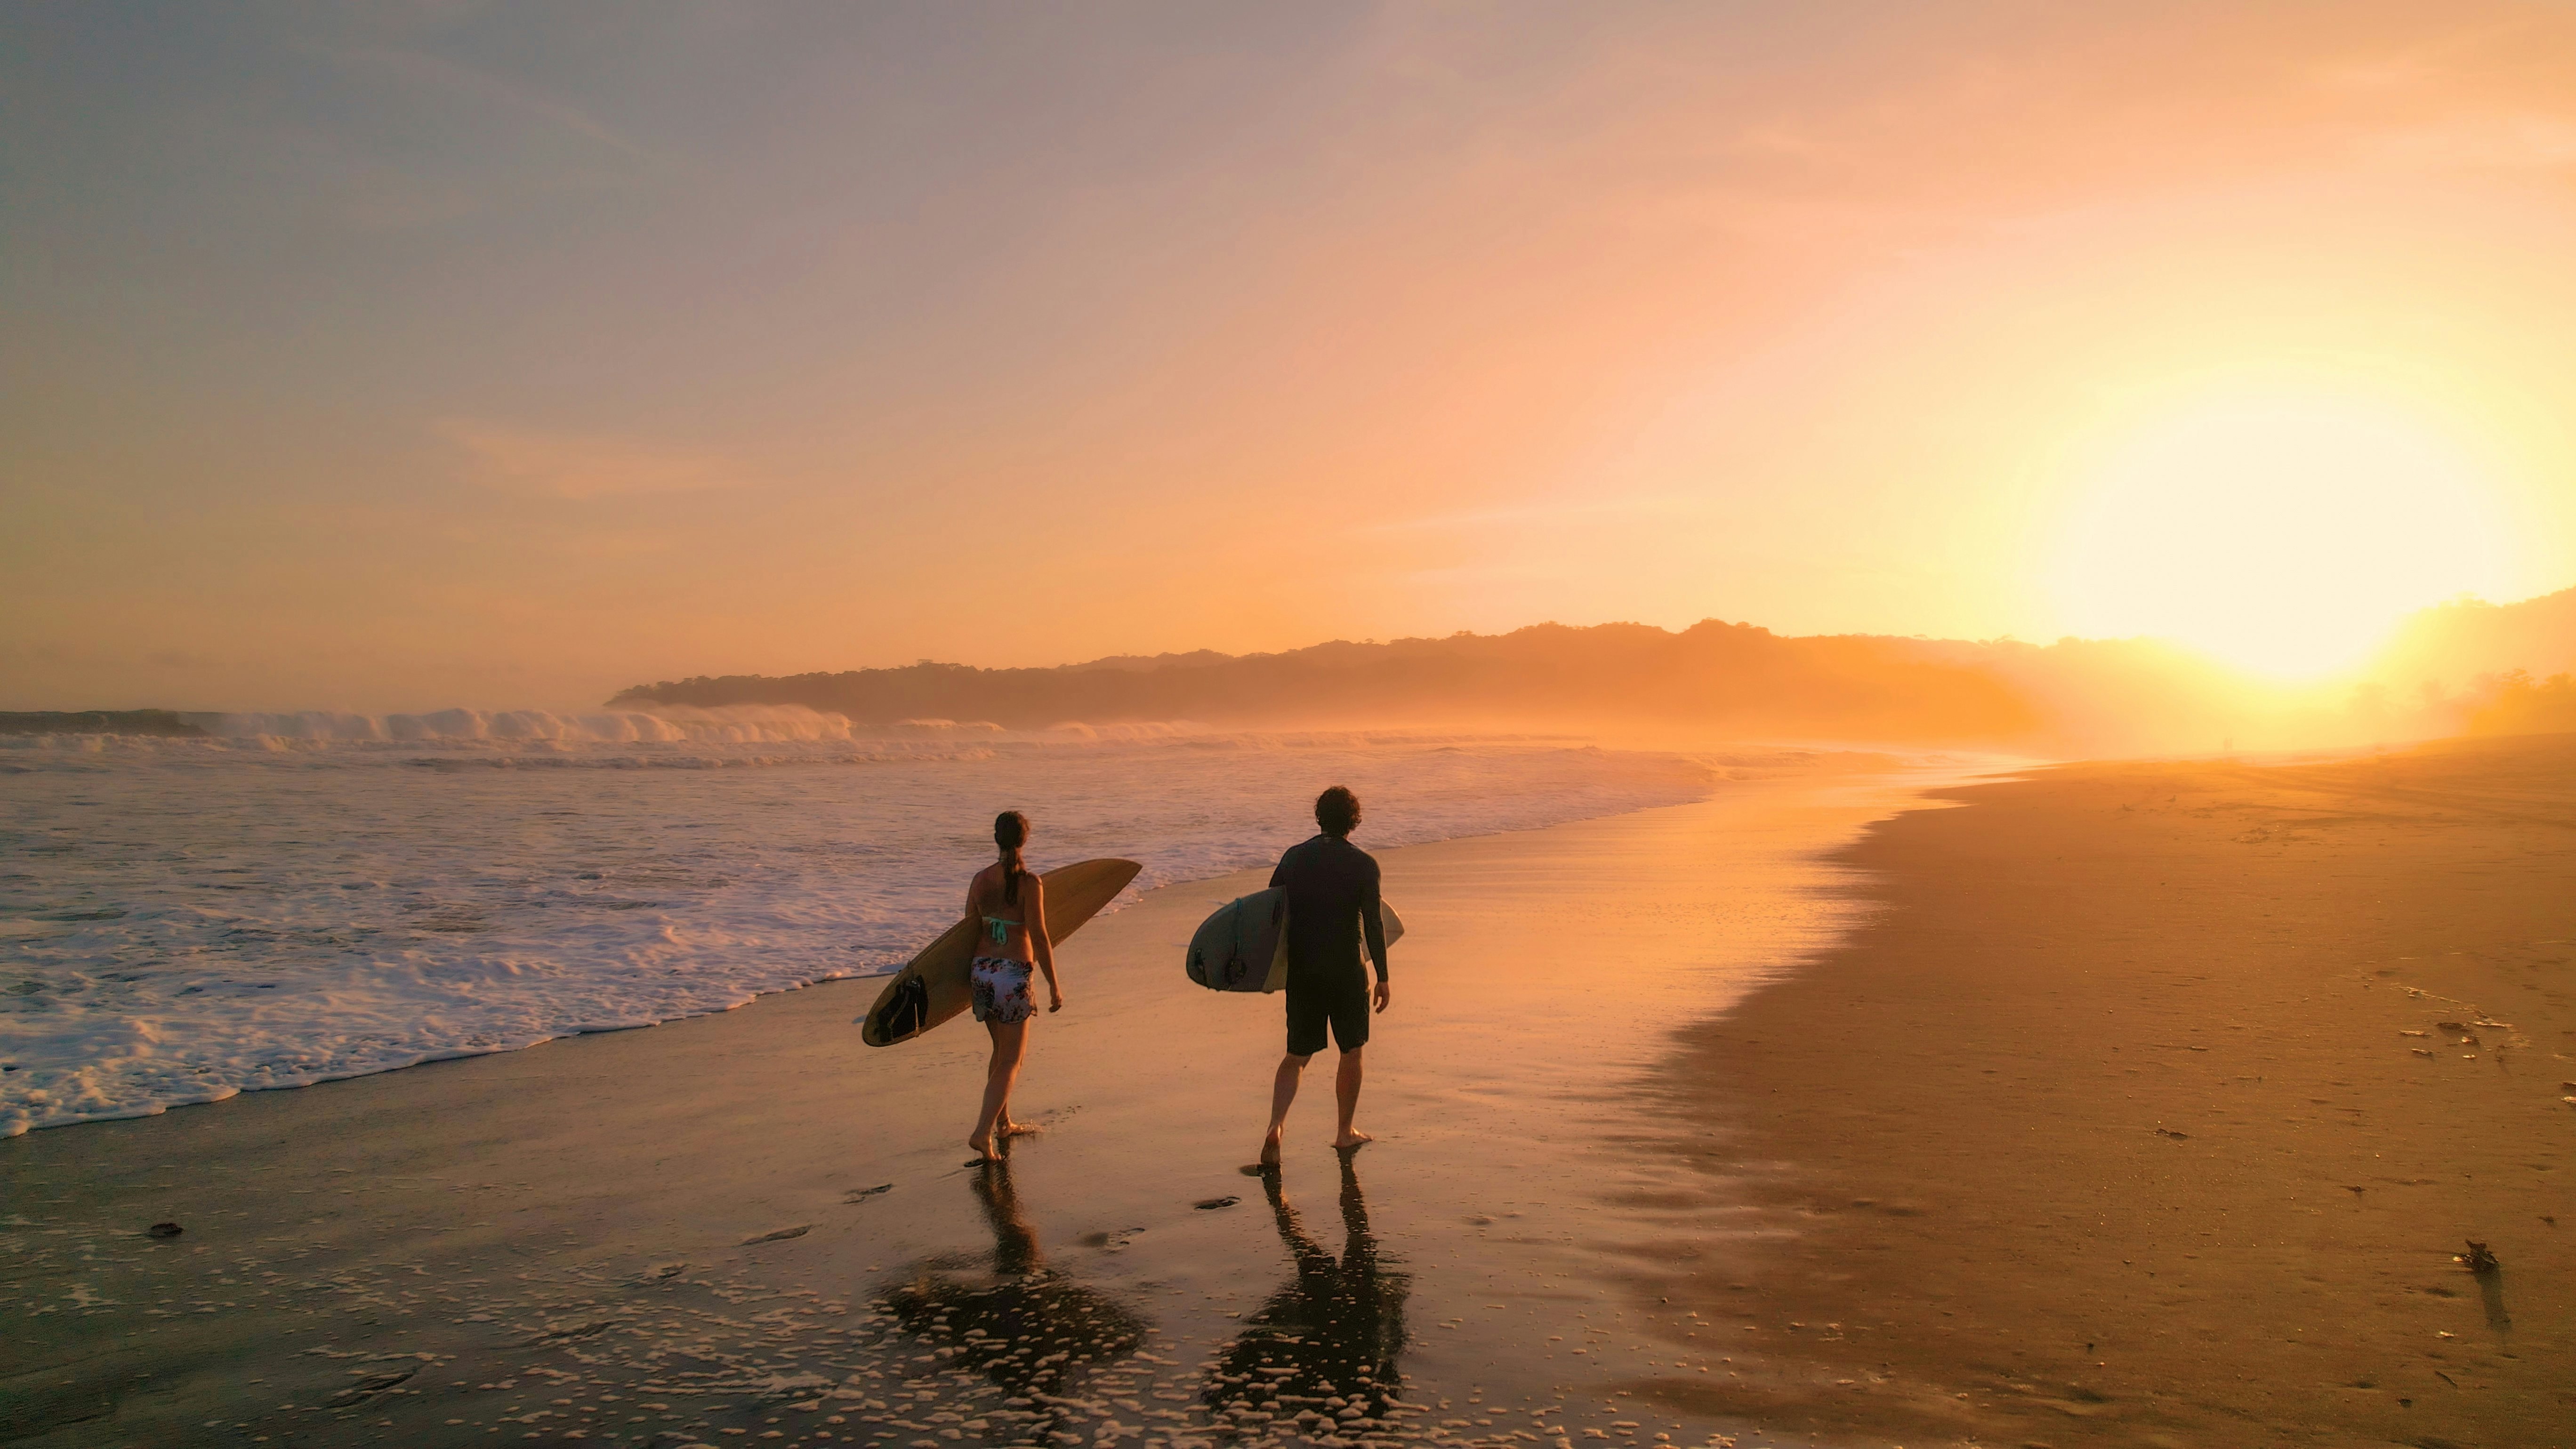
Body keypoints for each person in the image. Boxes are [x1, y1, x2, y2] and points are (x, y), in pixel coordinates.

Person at [1258, 785, 1390, 1165]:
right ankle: (1344, 1132)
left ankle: (1276, 1124)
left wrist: (1271, 970)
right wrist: (1382, 975)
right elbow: (1375, 926)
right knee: (1351, 1053)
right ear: (1354, 820)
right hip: (1347, 971)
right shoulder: (1364, 865)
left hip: (1305, 971)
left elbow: (1272, 911)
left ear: (1319, 817)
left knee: (1296, 1056)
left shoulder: (1293, 858)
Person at [964, 810, 1060, 1160]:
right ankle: (981, 1133)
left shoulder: (979, 880)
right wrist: (1054, 984)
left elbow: (966, 931)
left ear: (996, 838)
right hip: (1012, 975)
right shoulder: (1029, 883)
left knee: (999, 1052)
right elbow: (1040, 935)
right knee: (1012, 1060)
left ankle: (1004, 1123)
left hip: (982, 970)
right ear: (1024, 839)